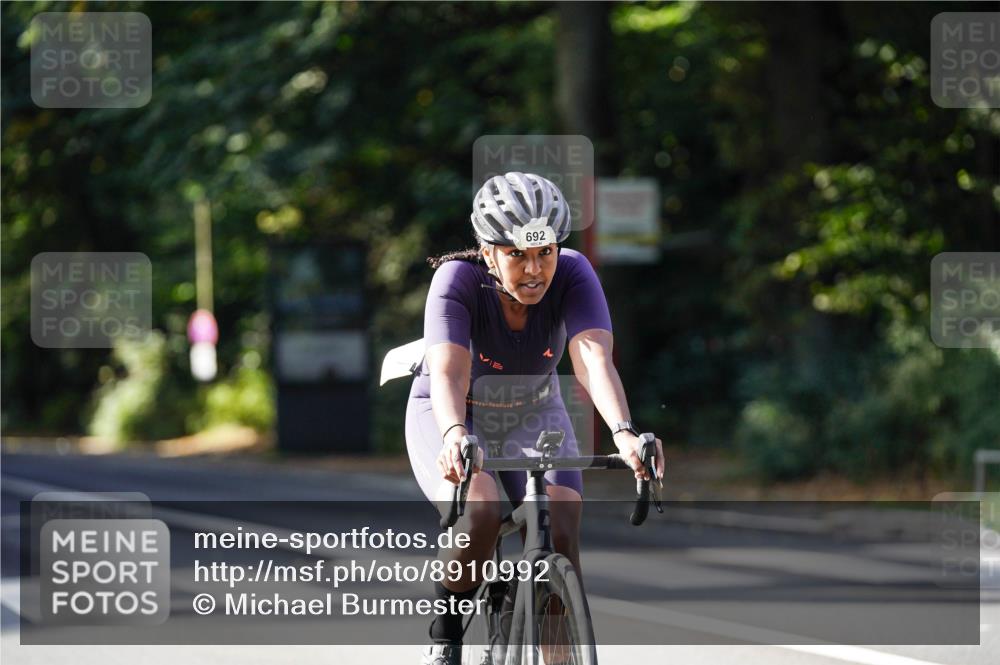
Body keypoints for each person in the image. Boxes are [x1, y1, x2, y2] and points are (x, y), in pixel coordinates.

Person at [406, 171, 664, 665]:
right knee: (478, 512)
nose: (533, 270)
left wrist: (625, 433)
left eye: (544, 252)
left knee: (561, 528)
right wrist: (455, 433)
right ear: (488, 253)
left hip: (533, 411)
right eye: (517, 255)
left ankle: (558, 658)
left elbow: (593, 358)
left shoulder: (574, 272)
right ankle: (445, 638)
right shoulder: (456, 281)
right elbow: (450, 373)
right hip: (454, 410)